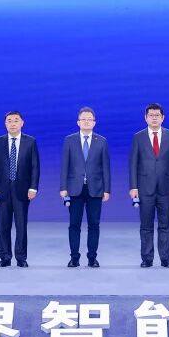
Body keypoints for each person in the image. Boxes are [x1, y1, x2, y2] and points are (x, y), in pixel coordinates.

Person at [129, 103, 169, 268]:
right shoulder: (138, 137)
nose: (154, 118)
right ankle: (147, 258)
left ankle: (166, 258)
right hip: (145, 188)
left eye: (157, 115)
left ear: (163, 118)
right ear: (145, 118)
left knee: (165, 225)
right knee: (146, 225)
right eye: (151, 115)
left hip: (166, 188)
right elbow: (133, 163)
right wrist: (133, 187)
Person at [0, 111, 40, 267]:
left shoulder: (30, 142)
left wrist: (33, 187)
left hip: (22, 190)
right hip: (2, 190)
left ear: (22, 123)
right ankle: (5, 257)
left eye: (16, 120)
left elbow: (35, 167)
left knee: (21, 225)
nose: (12, 123)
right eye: (9, 121)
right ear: (5, 124)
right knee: (3, 226)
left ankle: (21, 258)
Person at [60, 107, 111, 267]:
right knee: (74, 225)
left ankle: (92, 258)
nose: (86, 121)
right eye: (84, 119)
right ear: (78, 122)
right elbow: (64, 166)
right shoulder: (69, 140)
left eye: (90, 119)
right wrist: (63, 187)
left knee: (94, 225)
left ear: (94, 122)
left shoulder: (101, 141)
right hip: (74, 188)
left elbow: (106, 167)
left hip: (95, 189)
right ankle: (74, 258)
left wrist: (107, 189)